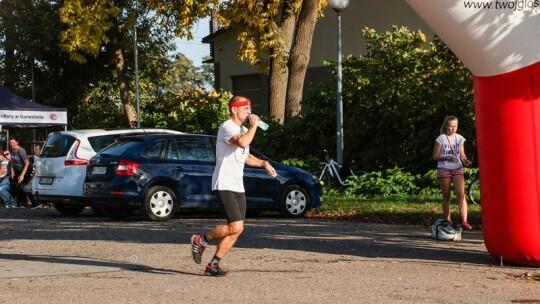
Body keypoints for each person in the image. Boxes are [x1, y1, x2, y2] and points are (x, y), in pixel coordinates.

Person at [190, 96, 277, 276]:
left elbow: (245, 156)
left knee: (237, 229)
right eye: (245, 108)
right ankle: (201, 240)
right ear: (234, 109)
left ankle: (213, 264)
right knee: (235, 226)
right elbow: (243, 142)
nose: (249, 112)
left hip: (238, 185)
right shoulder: (227, 127)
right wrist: (254, 126)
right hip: (224, 183)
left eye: (249, 108)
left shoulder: (244, 129)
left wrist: (263, 163)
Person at [432, 115, 473, 230]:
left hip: (457, 167)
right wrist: (446, 158)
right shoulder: (441, 138)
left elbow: (462, 154)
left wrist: (465, 160)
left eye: (455, 126)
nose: (453, 128)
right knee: (447, 195)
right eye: (450, 126)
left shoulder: (460, 138)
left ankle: (464, 221)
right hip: (444, 168)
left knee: (461, 194)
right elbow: (435, 156)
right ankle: (447, 219)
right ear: (445, 126)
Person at [9, 137, 31, 207]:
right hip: (18, 170)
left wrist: (22, 175)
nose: (11, 144)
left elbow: (27, 163)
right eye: (10, 143)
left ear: (17, 142)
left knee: (19, 186)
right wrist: (12, 170)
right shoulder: (11, 150)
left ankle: (26, 202)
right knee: (13, 184)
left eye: (13, 142)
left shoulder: (21, 151)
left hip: (26, 169)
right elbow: (12, 161)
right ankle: (19, 201)